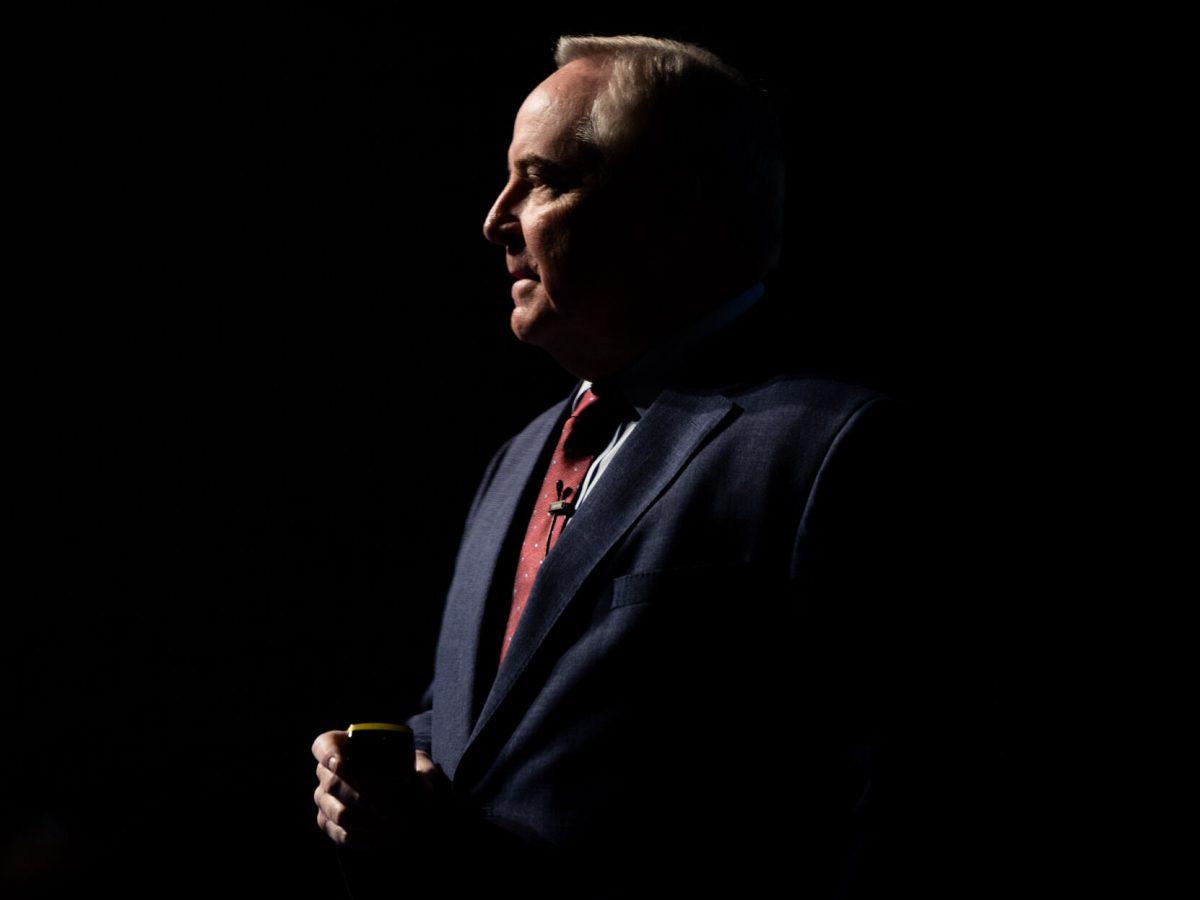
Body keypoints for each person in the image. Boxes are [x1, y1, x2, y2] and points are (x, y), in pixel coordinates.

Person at [313, 34, 925, 898]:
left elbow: (900, 797)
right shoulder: (518, 459)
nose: (496, 218)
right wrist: (388, 782)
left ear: (671, 212)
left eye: (544, 179)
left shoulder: (839, 450)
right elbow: (488, 734)